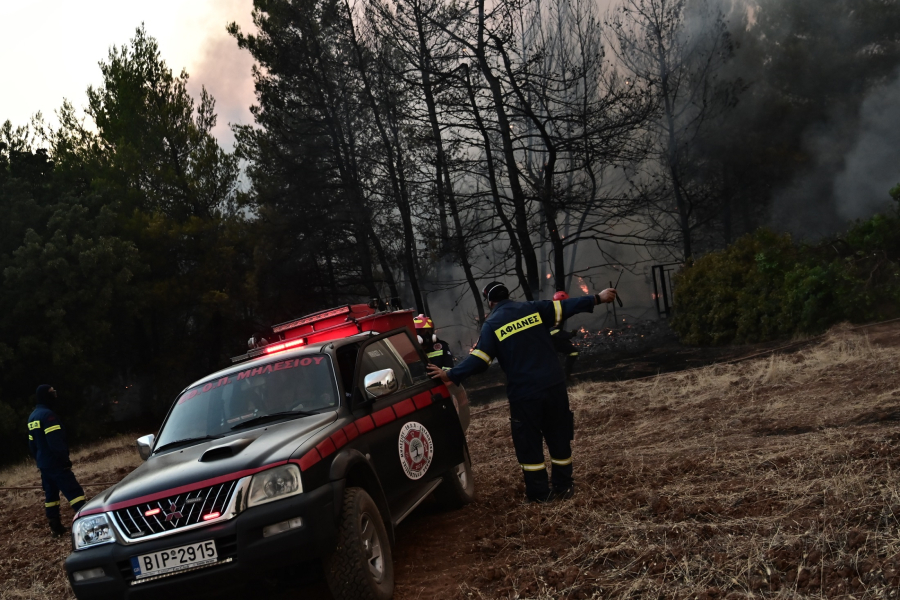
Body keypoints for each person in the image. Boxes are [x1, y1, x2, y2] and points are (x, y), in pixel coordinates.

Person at [427, 282, 617, 503]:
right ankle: (564, 486)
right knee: (559, 435)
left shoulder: (492, 324)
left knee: (529, 442)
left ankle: (540, 494)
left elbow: (479, 360)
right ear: (507, 295)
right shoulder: (533, 308)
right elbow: (567, 306)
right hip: (554, 386)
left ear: (490, 301)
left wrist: (450, 374)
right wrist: (598, 298)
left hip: (525, 393)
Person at [27, 385, 86, 537]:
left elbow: (32, 444)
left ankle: (55, 526)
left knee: (51, 496)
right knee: (75, 493)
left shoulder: (32, 417)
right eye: (51, 393)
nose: (55, 395)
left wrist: (40, 461)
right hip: (56, 464)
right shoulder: (48, 416)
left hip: (44, 465)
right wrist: (64, 460)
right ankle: (88, 522)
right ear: (45, 396)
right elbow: (55, 442)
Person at [550, 291, 580, 378]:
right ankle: (566, 376)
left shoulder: (555, 310)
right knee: (573, 352)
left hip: (552, 339)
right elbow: (554, 332)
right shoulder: (555, 313)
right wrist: (570, 334)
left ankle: (564, 375)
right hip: (552, 340)